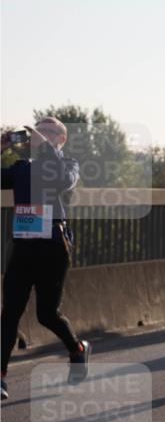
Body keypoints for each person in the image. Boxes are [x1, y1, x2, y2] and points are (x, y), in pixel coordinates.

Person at [1, 118, 90, 401]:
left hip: (53, 245)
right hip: (23, 246)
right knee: (9, 313)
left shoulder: (68, 164)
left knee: (46, 314)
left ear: (60, 139)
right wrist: (1, 147)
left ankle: (77, 349)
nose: (38, 135)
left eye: (47, 131)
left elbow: (64, 181)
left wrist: (47, 148)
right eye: (36, 130)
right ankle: (1, 378)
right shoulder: (22, 167)